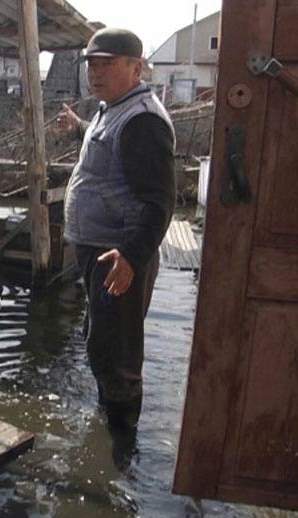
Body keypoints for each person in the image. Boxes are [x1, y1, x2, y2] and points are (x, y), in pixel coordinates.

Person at [56, 28, 175, 435]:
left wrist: (130, 256)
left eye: (107, 64)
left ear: (135, 68)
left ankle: (121, 446)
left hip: (118, 255)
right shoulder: (115, 109)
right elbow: (108, 146)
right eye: (92, 64)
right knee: (101, 341)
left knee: (117, 352)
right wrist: (78, 126)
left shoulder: (143, 120)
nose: (95, 72)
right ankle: (109, 422)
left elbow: (158, 202)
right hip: (104, 253)